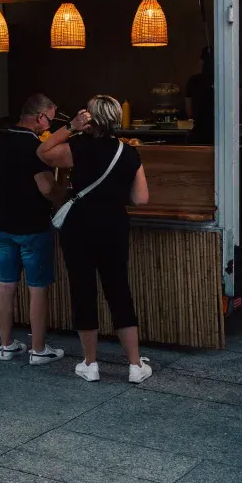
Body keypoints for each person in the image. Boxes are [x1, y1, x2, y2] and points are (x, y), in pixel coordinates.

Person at [38, 95, 152, 384]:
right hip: (114, 226)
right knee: (119, 290)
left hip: (79, 227)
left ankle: (90, 364)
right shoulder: (129, 153)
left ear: (90, 119)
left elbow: (43, 151)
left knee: (83, 290)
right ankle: (135, 365)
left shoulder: (77, 147)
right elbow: (141, 198)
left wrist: (71, 127)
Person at [0, 93, 65, 365]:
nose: (50, 126)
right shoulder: (36, 147)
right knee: (37, 288)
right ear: (40, 117)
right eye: (50, 120)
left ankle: (6, 346)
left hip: (3, 225)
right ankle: (38, 350)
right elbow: (46, 188)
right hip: (33, 226)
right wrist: (62, 198)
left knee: (6, 285)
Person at [185, 47, 215, 145]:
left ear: (201, 61)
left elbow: (189, 110)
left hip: (198, 132)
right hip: (218, 133)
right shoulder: (222, 82)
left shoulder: (193, 81)